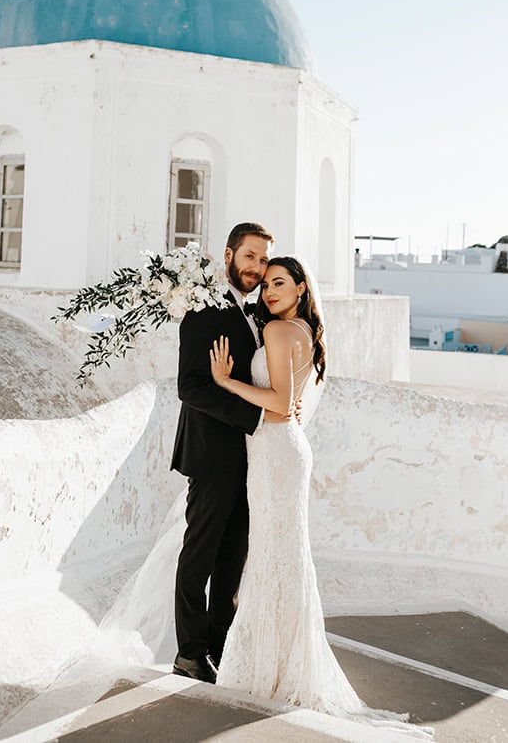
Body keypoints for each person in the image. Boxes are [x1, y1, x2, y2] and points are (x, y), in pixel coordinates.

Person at [208, 257, 432, 736]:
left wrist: (227, 382)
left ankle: (268, 668)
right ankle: (281, 663)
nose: (269, 291)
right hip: (283, 455)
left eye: (279, 283)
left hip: (275, 454)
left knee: (272, 557)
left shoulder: (277, 332)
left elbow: (279, 405)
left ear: (300, 287)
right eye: (267, 284)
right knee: (282, 556)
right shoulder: (303, 330)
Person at [171, 221, 290, 684]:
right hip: (212, 456)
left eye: (263, 260)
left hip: (249, 461)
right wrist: (255, 418)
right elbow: (190, 385)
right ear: (229, 256)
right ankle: (189, 653)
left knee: (231, 562)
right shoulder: (206, 310)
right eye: (250, 257)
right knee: (198, 558)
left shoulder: (255, 314)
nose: (257, 268)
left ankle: (220, 649)